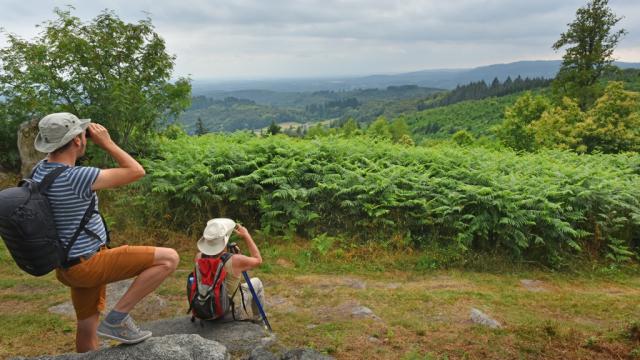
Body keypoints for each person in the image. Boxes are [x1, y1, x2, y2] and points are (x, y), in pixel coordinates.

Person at [31, 112, 180, 352]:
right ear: (78, 140)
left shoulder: (40, 171)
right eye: (83, 134)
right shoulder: (76, 177)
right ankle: (118, 319)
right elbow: (136, 171)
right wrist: (107, 143)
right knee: (169, 258)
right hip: (89, 263)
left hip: (67, 265)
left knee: (87, 325)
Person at [194, 218, 265, 321]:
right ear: (224, 241)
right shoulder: (235, 260)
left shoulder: (198, 257)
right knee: (257, 282)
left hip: (206, 309)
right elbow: (258, 260)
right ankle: (259, 319)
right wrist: (246, 236)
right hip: (229, 313)